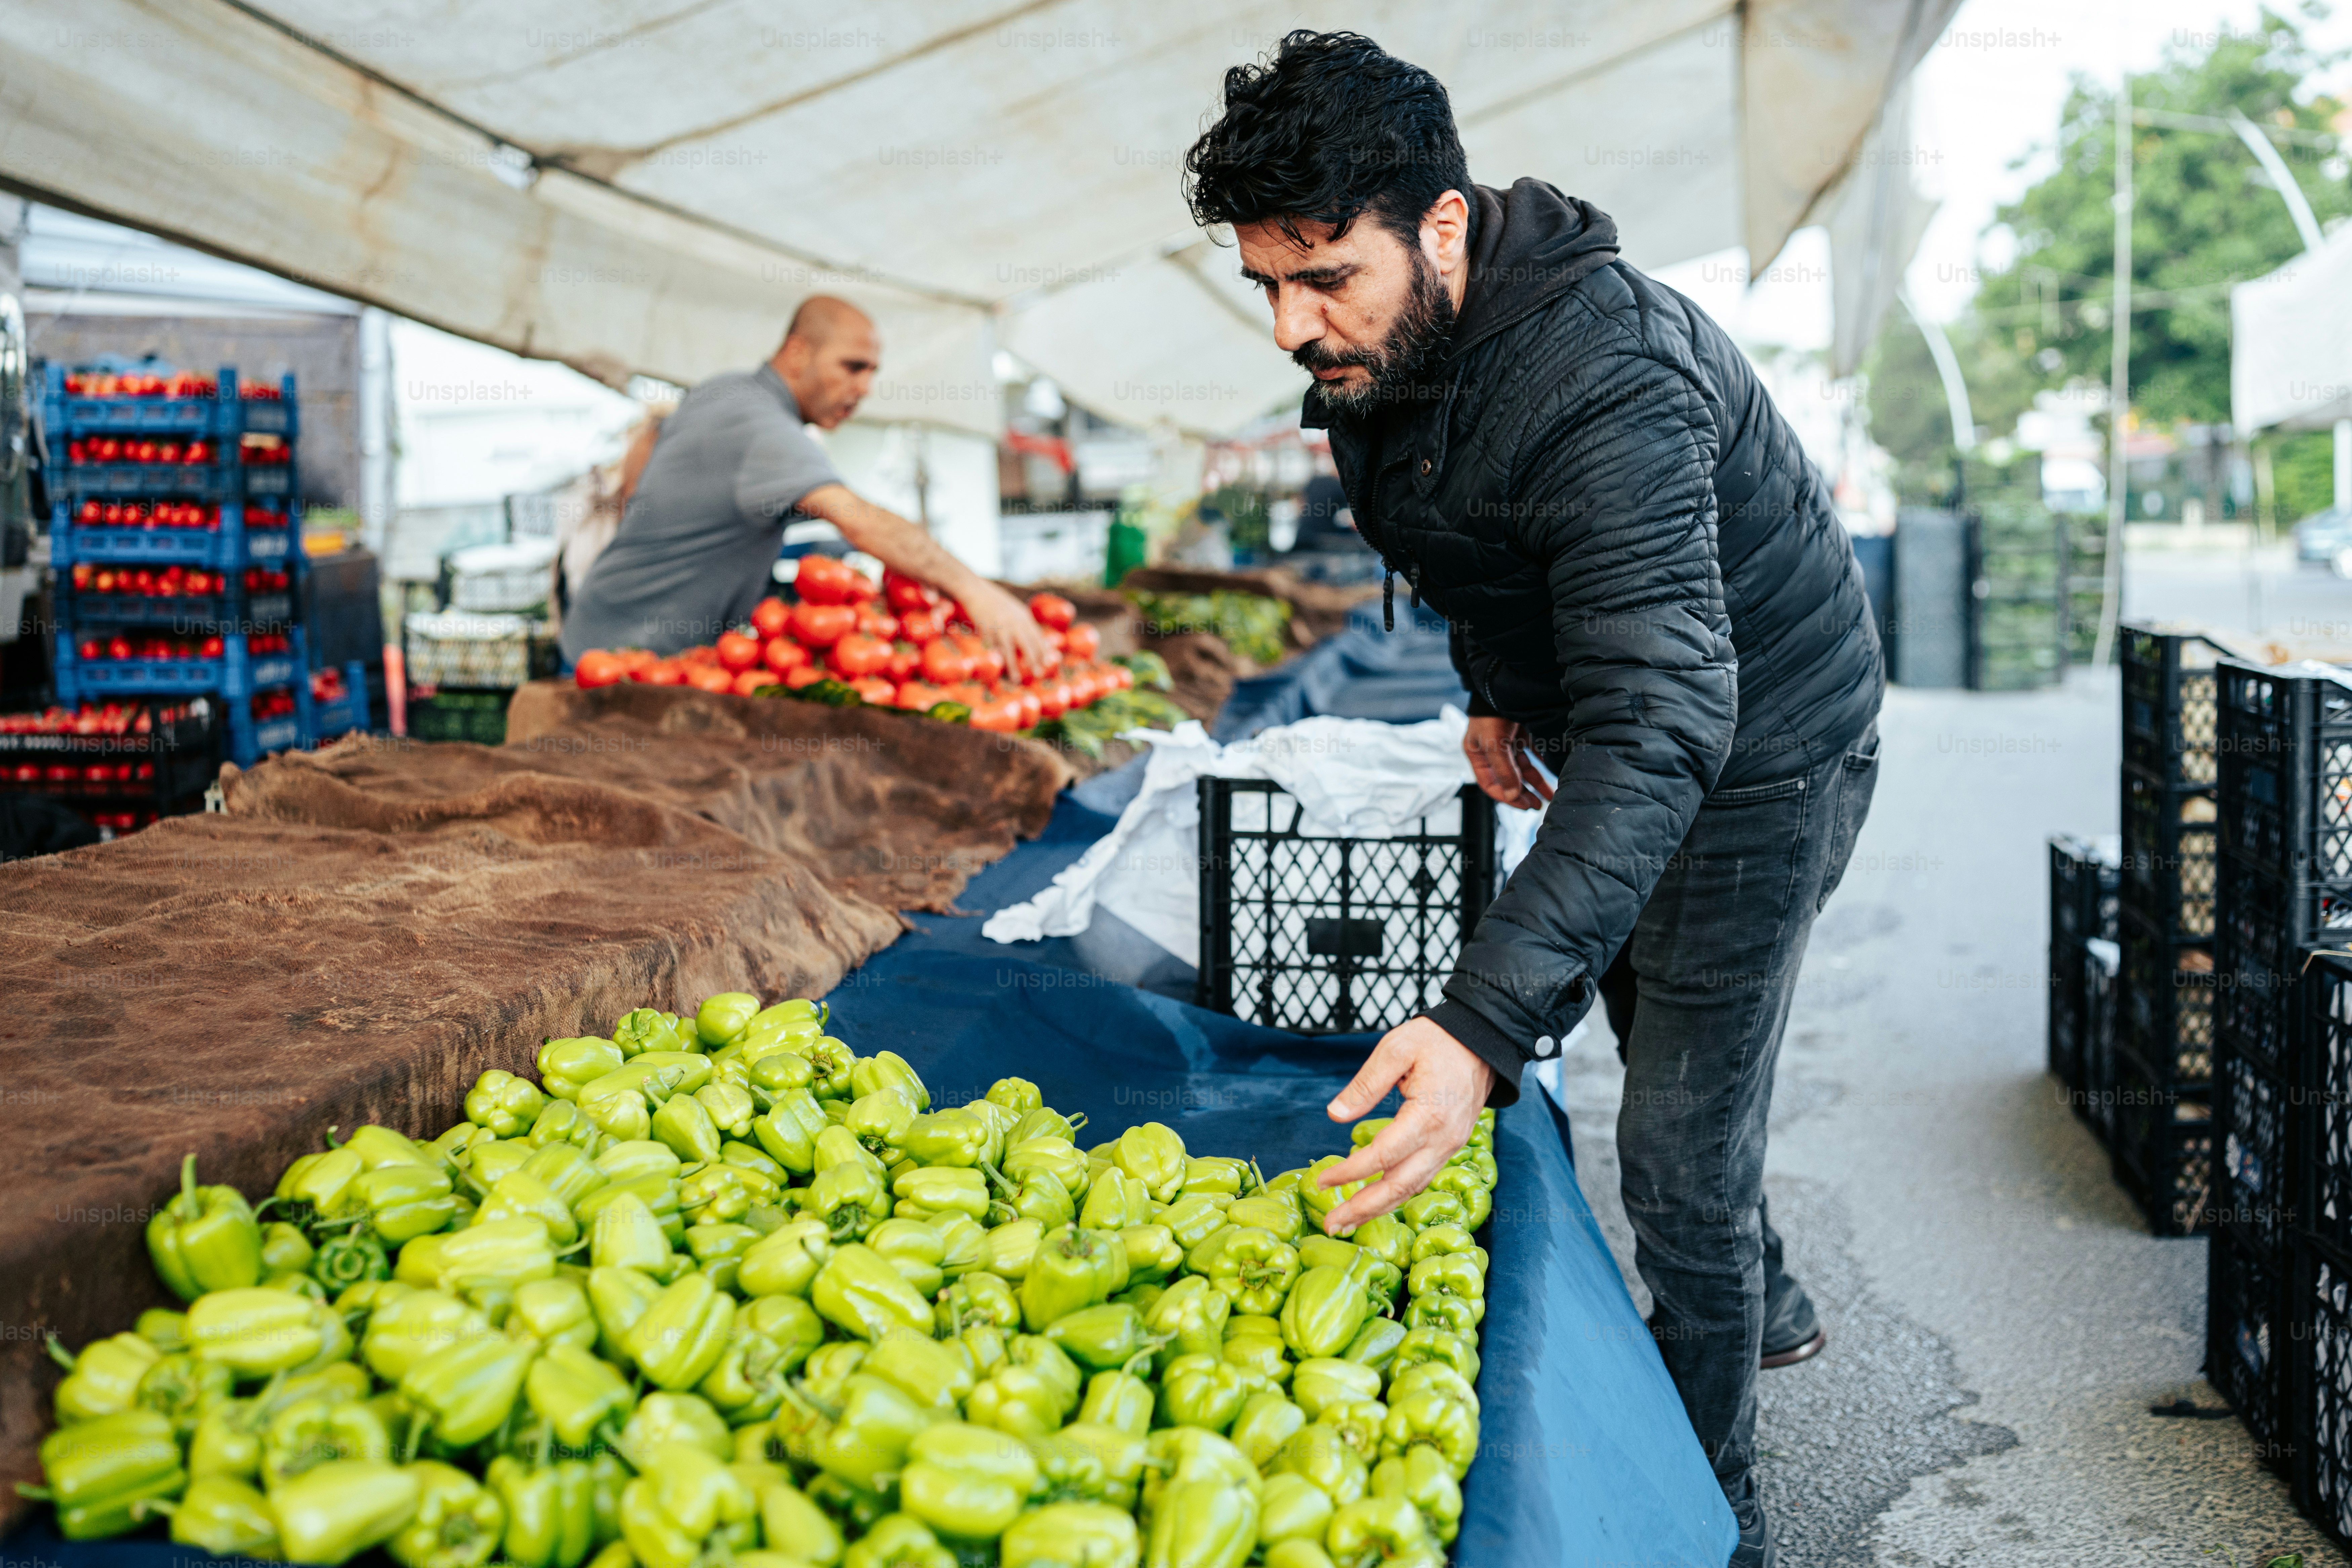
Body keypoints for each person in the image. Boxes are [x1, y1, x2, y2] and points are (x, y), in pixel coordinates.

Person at [1185, 32, 1884, 1566]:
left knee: (1677, 1152)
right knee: (1652, 1018)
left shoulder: (1605, 379)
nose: (1295, 327)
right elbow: (1469, 536)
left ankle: (1718, 1519)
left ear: (1442, 226)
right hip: (1636, 711)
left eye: (1327, 279)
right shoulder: (1394, 347)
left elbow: (1666, 717)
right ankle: (1766, 1294)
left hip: (1763, 749)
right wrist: (1499, 682)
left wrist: (1481, 1027)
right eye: (1269, 288)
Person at [559, 297, 1048, 673]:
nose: (864, 388)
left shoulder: (724, 391)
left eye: (872, 372)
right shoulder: (762, 427)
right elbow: (860, 521)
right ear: (797, 353)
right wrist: (975, 591)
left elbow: (649, 448)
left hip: (612, 634)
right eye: (852, 366)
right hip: (620, 660)